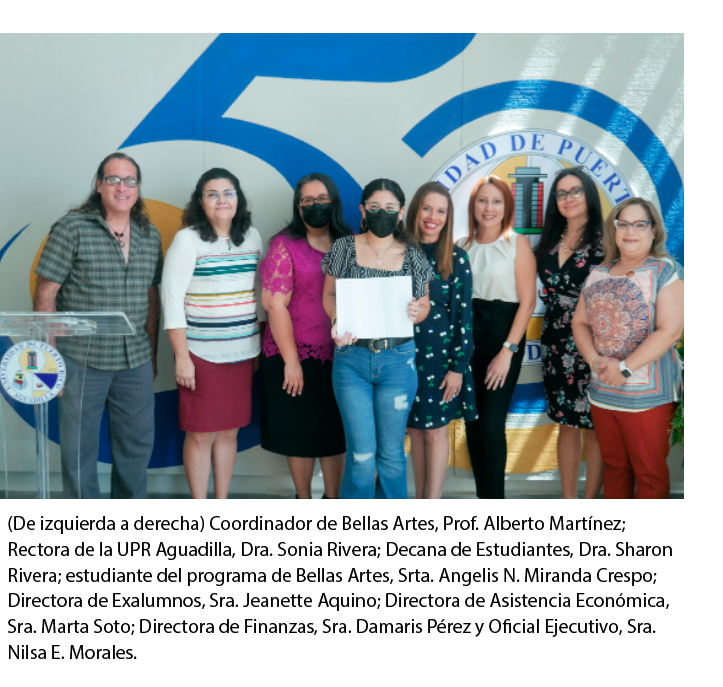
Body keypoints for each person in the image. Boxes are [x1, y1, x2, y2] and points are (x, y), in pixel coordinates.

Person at [33, 152, 163, 499]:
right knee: (79, 449)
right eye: (113, 179)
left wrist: (152, 353)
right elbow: (46, 294)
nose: (122, 187)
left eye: (130, 180)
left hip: (135, 359)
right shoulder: (71, 228)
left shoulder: (149, 235)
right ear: (99, 185)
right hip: (80, 359)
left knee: (136, 448)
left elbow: (152, 297)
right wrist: (50, 362)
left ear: (138, 188)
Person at [322, 179, 434, 499]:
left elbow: (424, 306)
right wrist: (336, 319)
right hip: (351, 359)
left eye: (389, 207)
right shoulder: (343, 248)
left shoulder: (413, 255)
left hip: (398, 361)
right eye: (374, 207)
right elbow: (329, 295)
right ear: (362, 210)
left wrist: (417, 311)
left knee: (392, 456)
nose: (381, 213)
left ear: (400, 212)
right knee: (360, 457)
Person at [161, 168, 264, 499]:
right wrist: (182, 358)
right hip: (200, 355)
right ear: (200, 201)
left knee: (230, 431)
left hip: (243, 353)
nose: (222, 200)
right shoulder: (188, 239)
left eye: (228, 193)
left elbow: (259, 293)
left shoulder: (252, 237)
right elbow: (172, 300)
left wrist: (258, 346)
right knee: (201, 433)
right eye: (212, 194)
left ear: (238, 198)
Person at [571, 198, 683, 499]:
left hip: (647, 398)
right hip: (604, 393)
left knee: (649, 473)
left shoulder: (666, 271)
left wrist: (623, 369)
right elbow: (579, 322)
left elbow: (670, 331)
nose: (630, 231)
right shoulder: (599, 272)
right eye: (623, 224)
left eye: (639, 224)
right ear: (614, 230)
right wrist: (593, 360)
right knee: (615, 467)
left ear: (653, 229)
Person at [260, 173, 351, 498]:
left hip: (343, 356)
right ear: (298, 207)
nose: (316, 205)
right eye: (308, 200)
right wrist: (292, 362)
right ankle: (303, 499)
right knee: (299, 434)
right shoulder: (284, 245)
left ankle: (333, 500)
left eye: (322, 199)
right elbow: (275, 305)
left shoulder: (351, 243)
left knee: (335, 434)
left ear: (334, 202)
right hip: (294, 356)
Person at [457, 175, 536, 499]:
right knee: (473, 423)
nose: (489, 208)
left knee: (491, 426)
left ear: (507, 207)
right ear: (473, 205)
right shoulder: (461, 246)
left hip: (503, 337)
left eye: (496, 201)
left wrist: (507, 351)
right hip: (468, 338)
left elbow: (528, 302)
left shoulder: (517, 243)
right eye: (482, 200)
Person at [534, 167, 605, 498]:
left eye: (576, 191)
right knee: (566, 421)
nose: (568, 198)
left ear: (589, 195)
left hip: (593, 340)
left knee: (595, 424)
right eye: (561, 193)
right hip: (554, 342)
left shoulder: (606, 243)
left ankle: (589, 502)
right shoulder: (550, 240)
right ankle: (569, 501)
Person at [405, 182, 477, 499]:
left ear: (448, 217)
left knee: (435, 434)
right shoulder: (397, 253)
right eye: (427, 208)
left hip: (440, 361)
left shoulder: (457, 258)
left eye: (441, 211)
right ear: (415, 210)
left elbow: (464, 317)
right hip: (402, 356)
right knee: (416, 433)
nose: (433, 217)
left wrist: (458, 367)